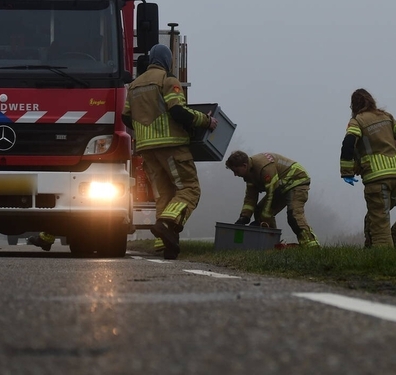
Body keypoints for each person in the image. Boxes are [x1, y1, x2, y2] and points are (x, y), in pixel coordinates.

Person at [122, 44, 216, 259]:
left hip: (147, 149)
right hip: (171, 146)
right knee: (190, 189)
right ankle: (165, 224)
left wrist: (144, 130)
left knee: (164, 194)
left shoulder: (134, 85)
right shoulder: (168, 80)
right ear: (168, 61)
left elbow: (125, 117)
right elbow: (177, 110)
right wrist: (205, 120)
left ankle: (164, 243)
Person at [339, 88, 396, 247]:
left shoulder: (358, 121)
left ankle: (386, 262)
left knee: (380, 223)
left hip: (378, 177)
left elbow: (349, 143)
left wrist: (346, 172)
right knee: (378, 217)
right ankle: (372, 251)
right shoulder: (386, 117)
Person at [225, 150, 320, 248]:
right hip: (281, 187)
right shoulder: (249, 173)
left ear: (244, 166)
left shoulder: (264, 168)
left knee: (294, 215)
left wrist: (264, 218)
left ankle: (312, 246)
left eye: (236, 171)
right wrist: (244, 217)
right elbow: (250, 198)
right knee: (260, 211)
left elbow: (273, 194)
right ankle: (271, 243)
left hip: (297, 181)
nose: (235, 175)